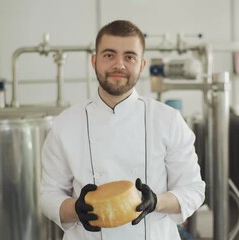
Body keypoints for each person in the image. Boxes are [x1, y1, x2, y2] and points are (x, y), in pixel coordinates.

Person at [39, 19, 205, 240]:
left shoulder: (168, 121)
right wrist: (75, 208)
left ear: (142, 65)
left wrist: (156, 201)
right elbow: (48, 195)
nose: (119, 65)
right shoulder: (66, 124)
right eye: (109, 55)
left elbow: (193, 190)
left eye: (129, 57)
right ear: (94, 61)